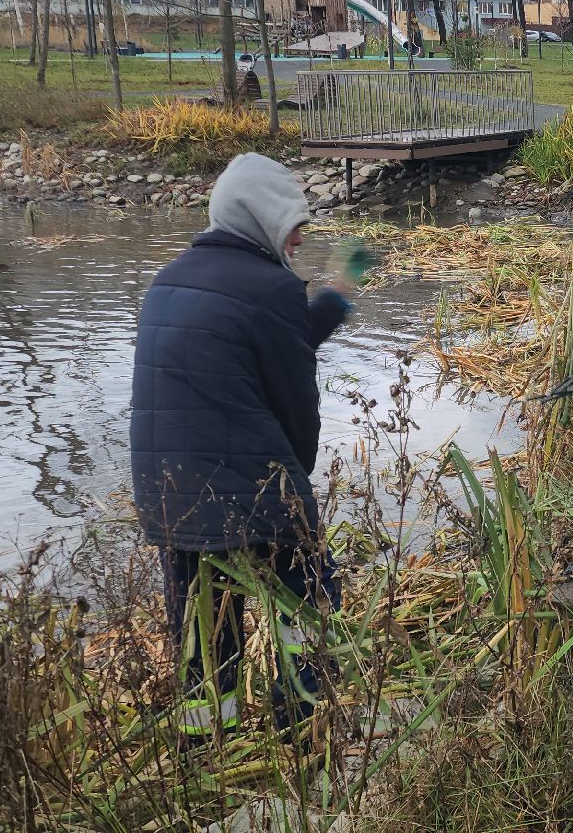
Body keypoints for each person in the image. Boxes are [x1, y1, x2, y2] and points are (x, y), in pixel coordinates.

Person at [129, 151, 367, 737]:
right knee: (308, 606)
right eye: (292, 228)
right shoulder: (271, 288)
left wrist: (337, 294)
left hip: (169, 501)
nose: (298, 241)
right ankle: (301, 728)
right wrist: (294, 495)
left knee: (205, 637)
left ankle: (207, 744)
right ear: (261, 219)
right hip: (255, 497)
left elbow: (261, 336)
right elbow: (297, 407)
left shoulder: (168, 280)